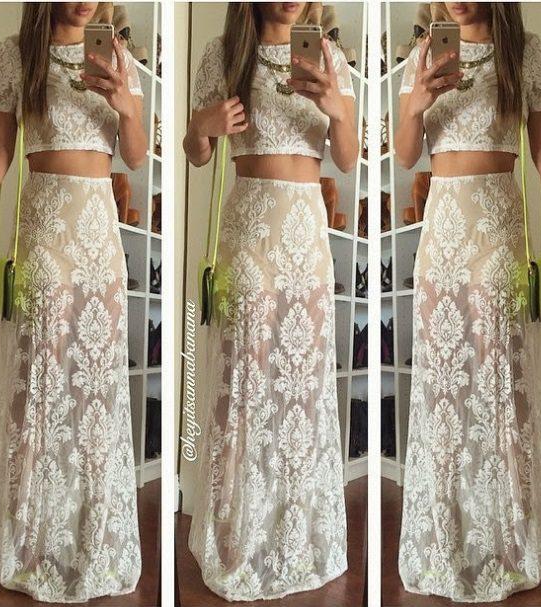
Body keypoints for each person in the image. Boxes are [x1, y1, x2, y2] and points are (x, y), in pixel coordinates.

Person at [394, 2, 541, 602]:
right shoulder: (424, 53)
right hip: (442, 230)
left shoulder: (529, 52)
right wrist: (416, 101)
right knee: (445, 390)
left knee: (498, 388)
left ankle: (503, 541)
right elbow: (404, 155)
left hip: (497, 229)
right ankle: (447, 541)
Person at [0, 2, 147, 602]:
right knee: (41, 390)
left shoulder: (117, 55)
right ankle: (35, 541)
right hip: (44, 232)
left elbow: (136, 156)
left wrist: (125, 104)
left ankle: (91, 541)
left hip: (99, 234)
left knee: (95, 391)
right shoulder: (14, 54)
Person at [183, 1, 359, 601]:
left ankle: (295, 535)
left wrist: (336, 107)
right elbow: (197, 153)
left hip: (307, 232)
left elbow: (347, 158)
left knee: (302, 386)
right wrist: (201, 126)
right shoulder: (223, 55)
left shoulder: (329, 56)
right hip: (249, 230)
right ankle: (238, 536)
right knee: (246, 383)